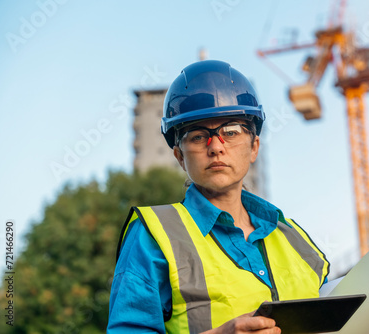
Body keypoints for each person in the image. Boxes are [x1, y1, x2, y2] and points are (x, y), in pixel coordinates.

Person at [107, 60, 330, 333]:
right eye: (198, 136)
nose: (216, 147)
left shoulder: (294, 239)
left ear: (253, 147)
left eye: (231, 132)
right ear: (179, 156)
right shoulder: (152, 236)